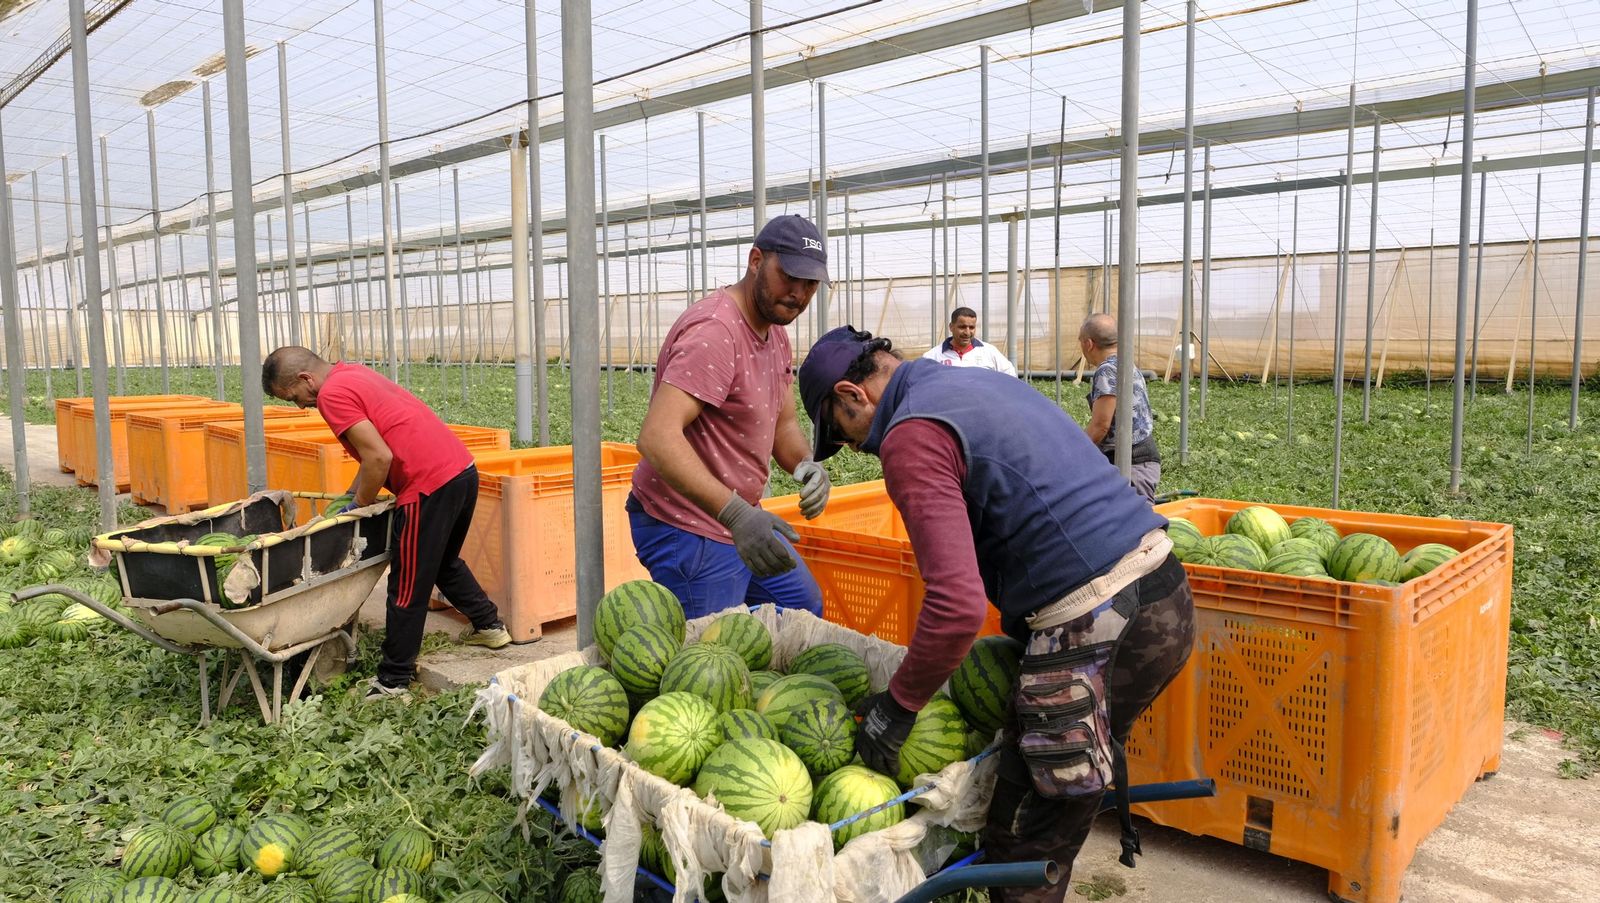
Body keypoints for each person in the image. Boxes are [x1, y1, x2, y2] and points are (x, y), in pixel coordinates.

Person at [797, 326, 1194, 902]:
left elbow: (956, 607)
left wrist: (897, 708)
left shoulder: (910, 435)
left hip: (1097, 620)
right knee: (1058, 803)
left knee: (1021, 844)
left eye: (844, 434)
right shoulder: (969, 383)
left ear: (851, 395)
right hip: (1162, 595)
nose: (858, 449)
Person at [262, 346, 511, 702]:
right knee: (442, 562)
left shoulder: (331, 396)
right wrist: (351, 495)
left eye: (294, 397)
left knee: (407, 587)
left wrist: (359, 506)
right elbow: (376, 449)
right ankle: (489, 626)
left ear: (305, 379)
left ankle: (394, 681)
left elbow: (379, 456)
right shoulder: (351, 373)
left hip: (427, 486)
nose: (300, 406)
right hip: (461, 472)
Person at [629, 215, 832, 619]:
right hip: (687, 525)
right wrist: (737, 514)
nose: (798, 294)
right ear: (756, 260)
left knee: (800, 608)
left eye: (810, 284)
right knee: (710, 659)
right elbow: (657, 437)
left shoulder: (775, 332)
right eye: (789, 276)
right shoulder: (716, 332)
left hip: (740, 521)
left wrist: (806, 466)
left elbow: (784, 423)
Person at [1079, 313, 1161, 501]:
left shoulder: (1107, 371)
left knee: (1140, 526)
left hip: (1132, 464)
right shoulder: (1127, 364)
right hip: (1140, 460)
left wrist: (1077, 451)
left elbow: (1101, 425)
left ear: (1088, 344)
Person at [921, 306, 1018, 376]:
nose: (967, 332)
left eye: (971, 327)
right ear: (951, 327)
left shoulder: (989, 352)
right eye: (962, 327)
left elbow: (1010, 375)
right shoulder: (933, 356)